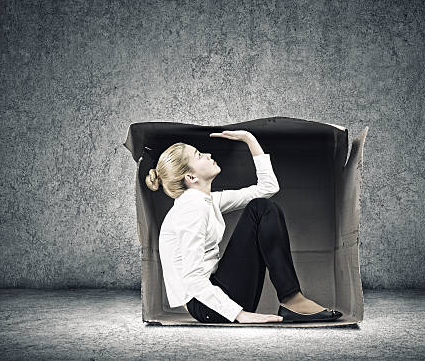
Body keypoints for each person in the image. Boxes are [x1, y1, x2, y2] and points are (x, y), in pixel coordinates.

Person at [145, 129, 342, 324]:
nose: (208, 155)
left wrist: (249, 139)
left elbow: (267, 188)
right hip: (207, 306)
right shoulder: (191, 208)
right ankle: (292, 299)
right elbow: (192, 278)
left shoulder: (206, 200)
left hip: (217, 296)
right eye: (199, 155)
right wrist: (239, 314)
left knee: (262, 206)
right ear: (191, 177)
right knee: (260, 208)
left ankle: (292, 300)